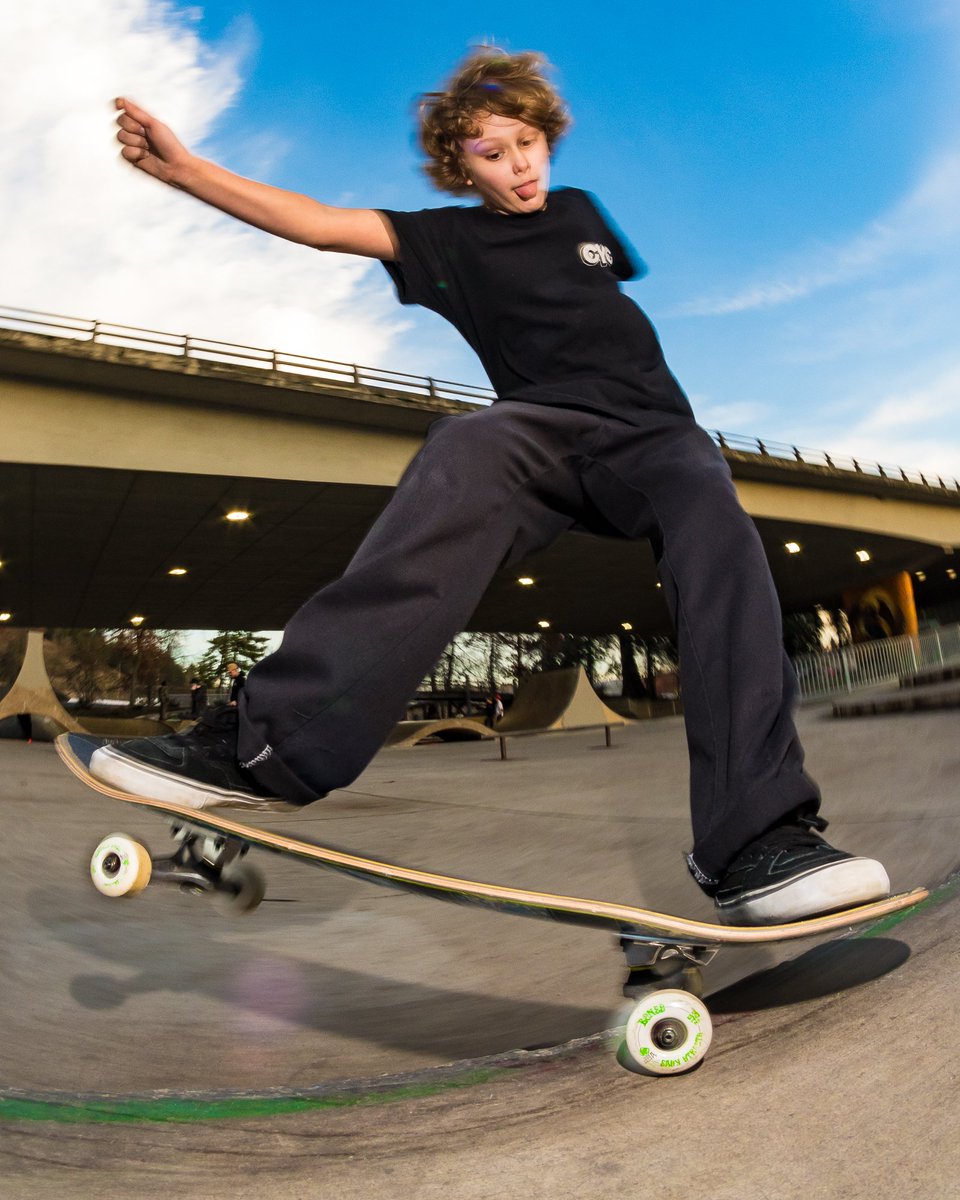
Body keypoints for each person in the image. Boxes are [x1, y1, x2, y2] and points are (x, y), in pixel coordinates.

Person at [91, 48, 890, 925]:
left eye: (527, 143)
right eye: (491, 154)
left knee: (715, 518)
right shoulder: (449, 241)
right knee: (465, 446)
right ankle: (265, 746)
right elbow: (318, 223)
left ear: (548, 138)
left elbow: (604, 288)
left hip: (657, 434)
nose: (518, 167)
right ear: (457, 167)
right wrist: (189, 170)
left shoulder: (583, 214)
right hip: (541, 427)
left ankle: (760, 840)